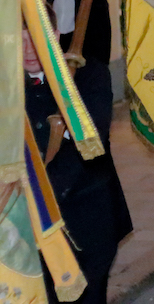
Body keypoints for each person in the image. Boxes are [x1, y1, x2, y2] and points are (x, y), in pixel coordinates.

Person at [24, 18, 132, 304]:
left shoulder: (87, 75)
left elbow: (91, 138)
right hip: (26, 223)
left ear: (55, 34)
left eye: (33, 36)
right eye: (17, 39)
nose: (27, 48)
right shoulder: (7, 85)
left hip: (85, 218)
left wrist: (41, 189)